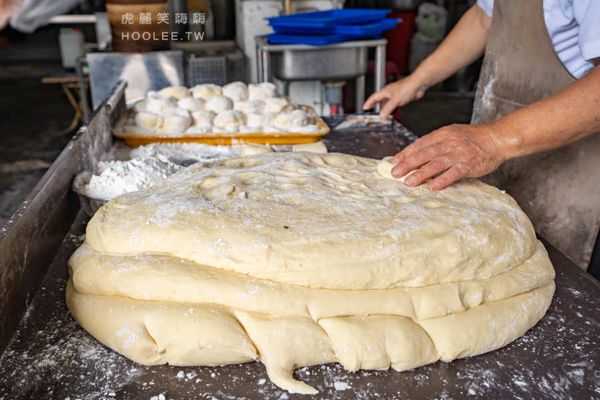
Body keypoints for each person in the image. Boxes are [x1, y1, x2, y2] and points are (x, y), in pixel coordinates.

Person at [364, 0, 600, 272]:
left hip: (577, 180)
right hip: (504, 161)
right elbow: (483, 17)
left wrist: (492, 140)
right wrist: (416, 81)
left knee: (561, 281)